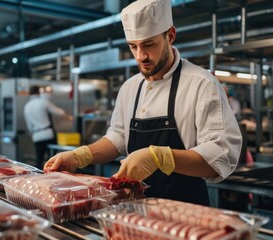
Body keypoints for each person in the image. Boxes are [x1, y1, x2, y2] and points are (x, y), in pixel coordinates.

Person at [44, 0, 242, 206]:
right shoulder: (130, 87)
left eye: (149, 45)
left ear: (170, 36)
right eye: (133, 47)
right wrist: (79, 156)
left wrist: (160, 157)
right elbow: (119, 136)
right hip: (133, 209)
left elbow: (221, 155)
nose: (141, 56)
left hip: (185, 211)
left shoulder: (201, 84)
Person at [24, 85, 73, 168]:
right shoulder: (43, 102)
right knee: (53, 161)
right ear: (39, 92)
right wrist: (69, 118)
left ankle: (38, 179)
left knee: (39, 160)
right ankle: (52, 178)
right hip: (48, 134)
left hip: (37, 136)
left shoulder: (27, 106)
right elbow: (59, 112)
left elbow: (29, 126)